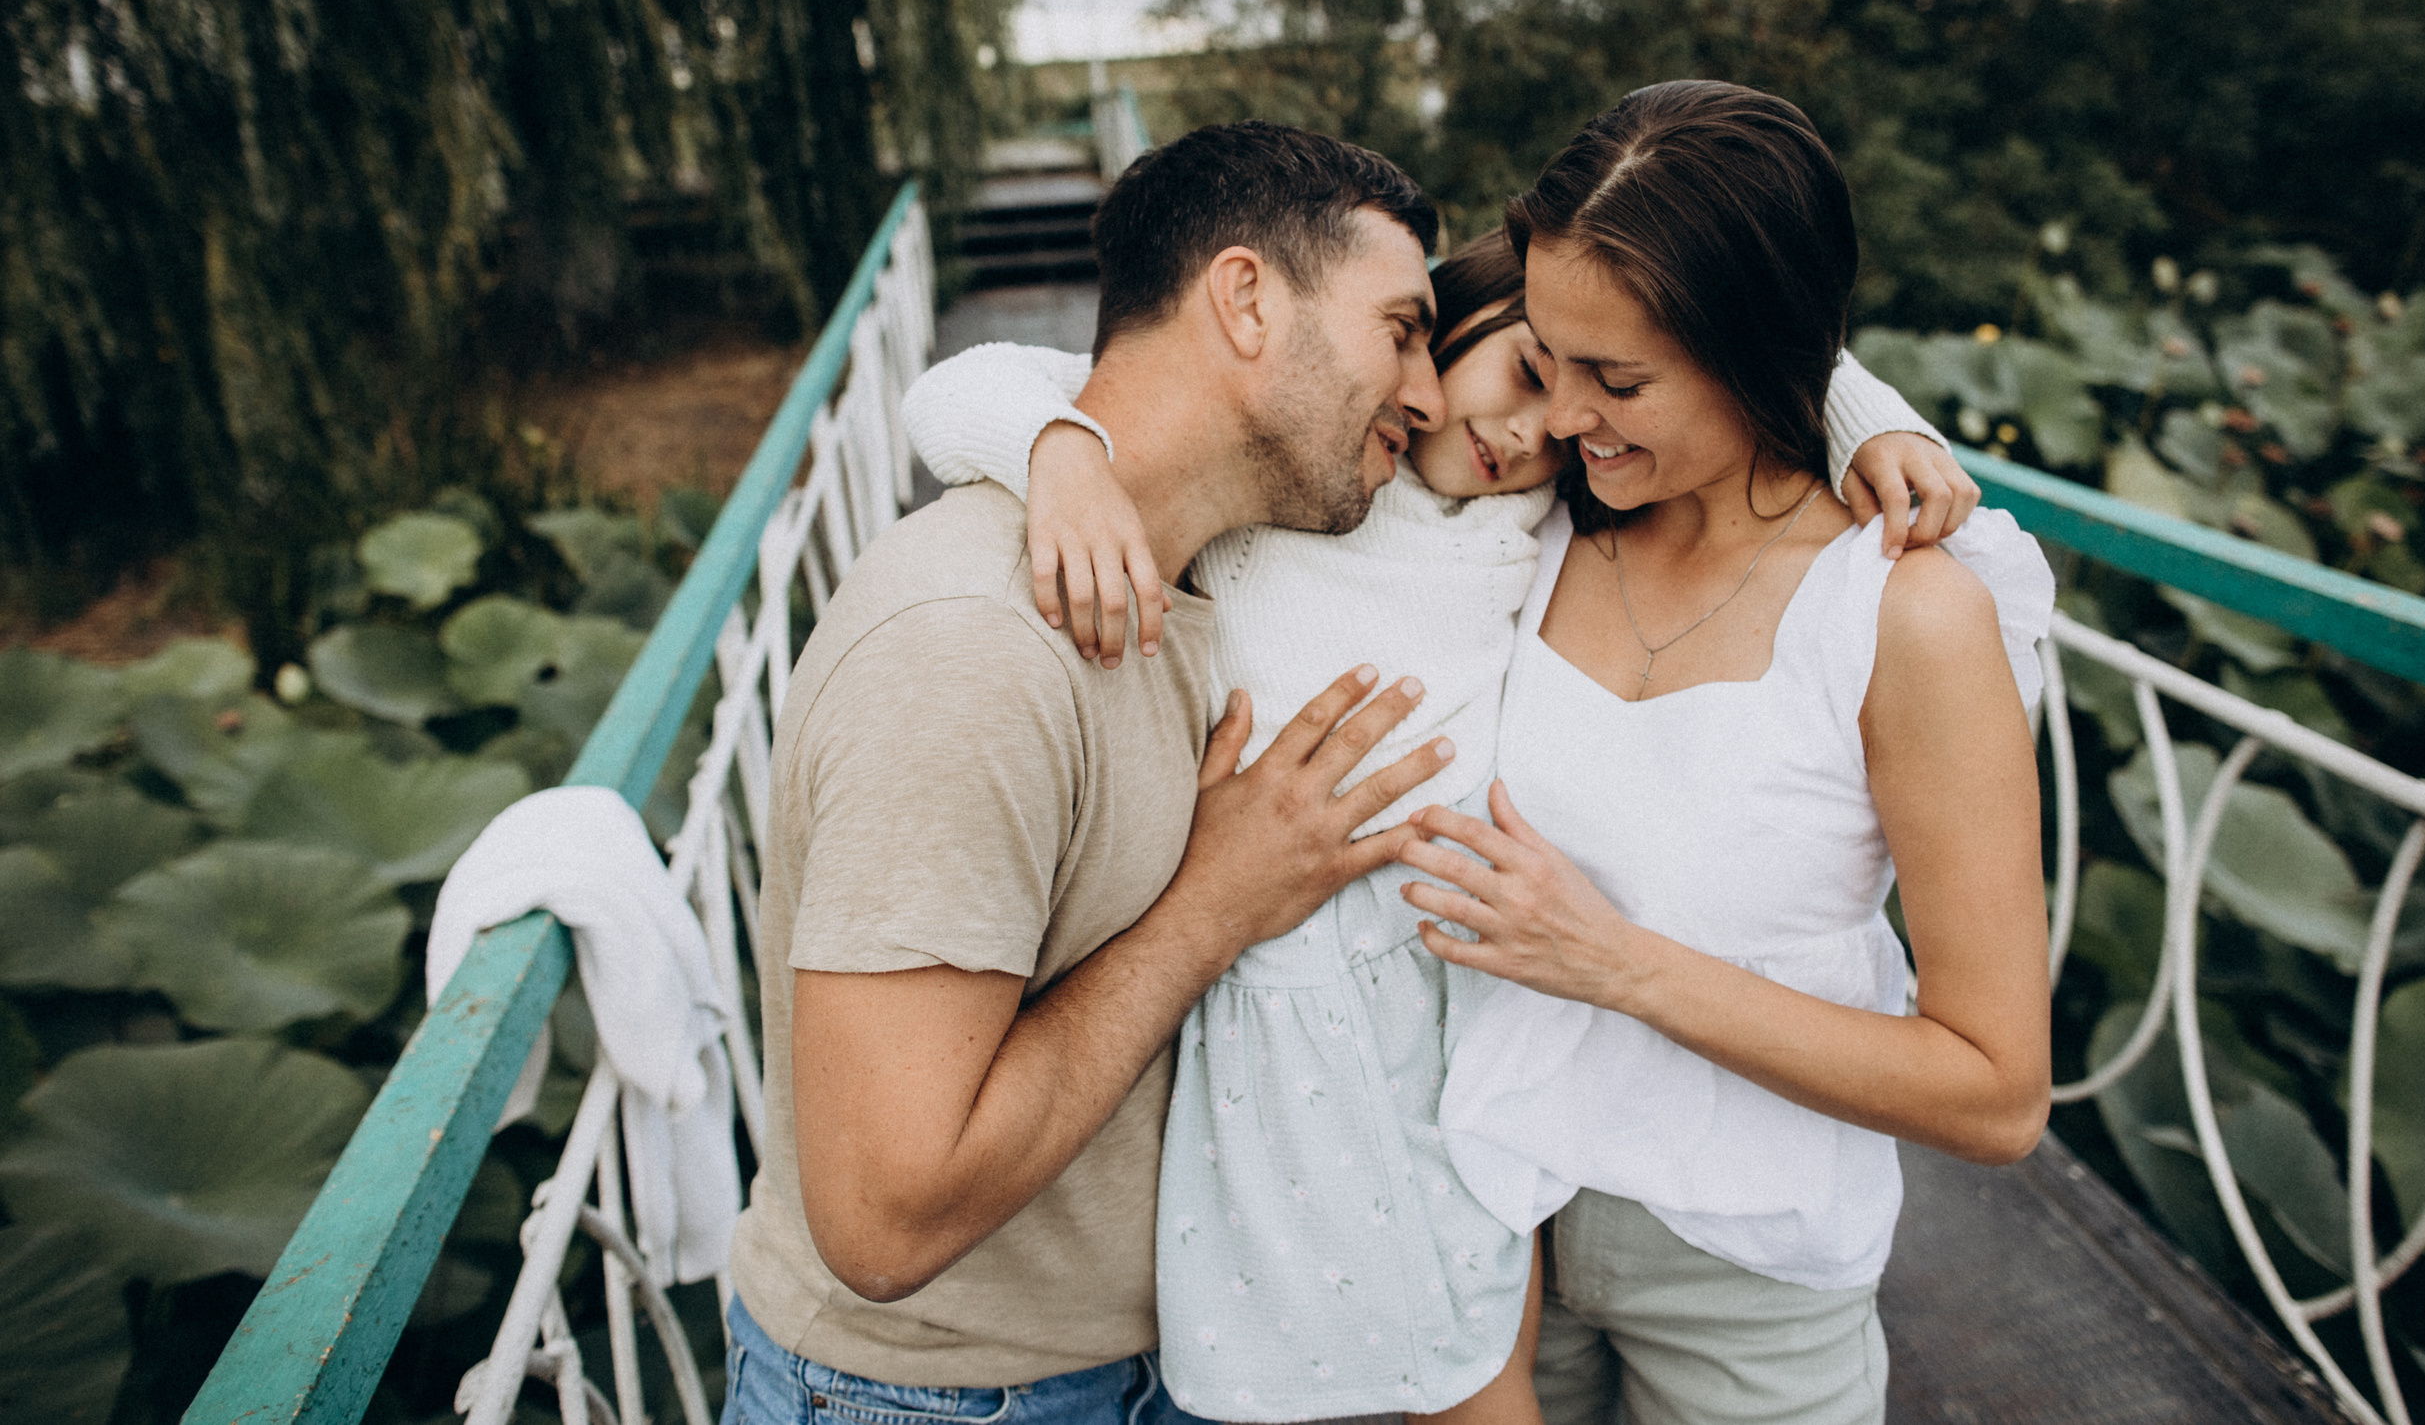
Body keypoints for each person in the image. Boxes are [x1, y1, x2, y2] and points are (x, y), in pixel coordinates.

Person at [899, 227, 1979, 1424]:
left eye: (1571, 419)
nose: (1535, 432)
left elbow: (1710, 359)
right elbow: (960, 384)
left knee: (1469, 1371)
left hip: (1462, 1021)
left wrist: (1872, 419)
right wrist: (1062, 457)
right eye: (1523, 373)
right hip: (1279, 1007)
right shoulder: (1295, 485)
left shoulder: (1542, 534)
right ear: (1443, 325)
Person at [723, 120, 1472, 1425]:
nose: (1435, 393)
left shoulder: (1215, 569)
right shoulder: (974, 648)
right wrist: (1214, 906)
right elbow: (882, 1217)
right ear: (1245, 298)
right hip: (937, 1397)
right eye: (1403, 328)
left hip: (1148, 1361)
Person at [1398, 81, 2055, 1425]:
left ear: (1759, 354)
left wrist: (1616, 962)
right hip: (1487, 1228)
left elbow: (1996, 1091)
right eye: (1547, 354)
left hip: (1746, 1268)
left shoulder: (1908, 615)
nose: (1565, 418)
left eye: (1619, 379)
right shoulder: (1531, 524)